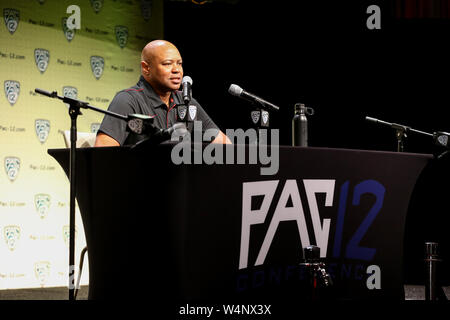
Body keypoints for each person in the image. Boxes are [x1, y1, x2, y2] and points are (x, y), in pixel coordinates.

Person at [95, 40, 231, 147]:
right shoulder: (127, 100)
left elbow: (226, 145)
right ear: (146, 68)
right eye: (167, 64)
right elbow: (103, 155)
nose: (176, 70)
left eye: (179, 63)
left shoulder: (187, 101)